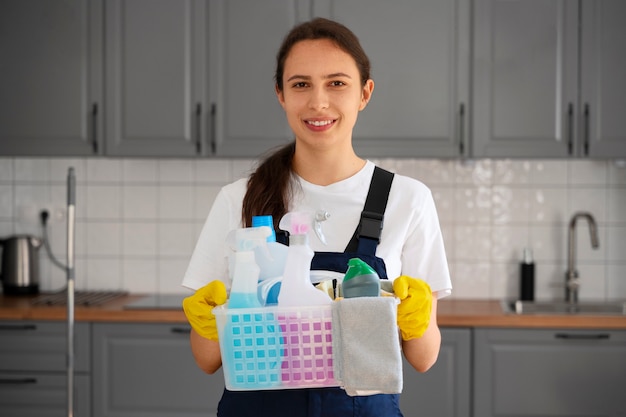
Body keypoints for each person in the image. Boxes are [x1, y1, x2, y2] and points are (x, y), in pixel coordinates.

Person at [182, 17, 452, 417]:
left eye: (337, 83)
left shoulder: (407, 199)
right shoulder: (239, 199)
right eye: (301, 84)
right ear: (280, 94)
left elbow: (424, 357)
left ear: (365, 92)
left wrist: (417, 318)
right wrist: (209, 323)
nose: (318, 102)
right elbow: (207, 360)